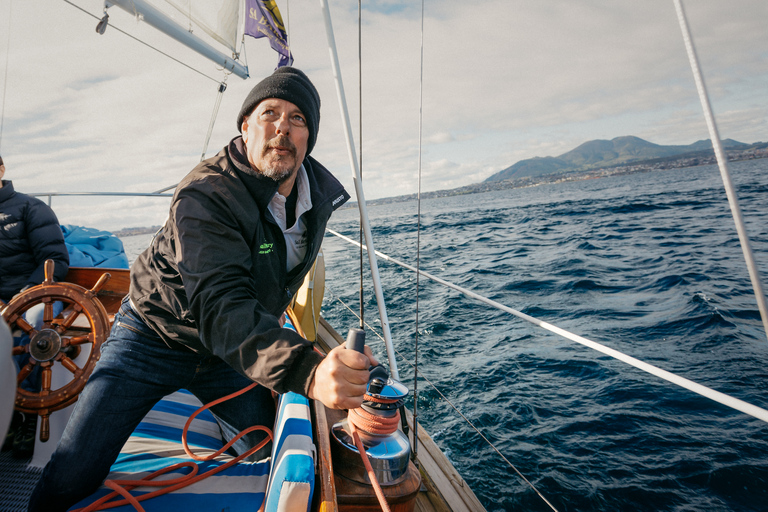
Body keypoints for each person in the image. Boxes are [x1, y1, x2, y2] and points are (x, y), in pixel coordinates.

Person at [29, 67, 377, 512]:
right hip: (150, 341)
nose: (283, 127)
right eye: (269, 112)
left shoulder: (313, 198)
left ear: (309, 137)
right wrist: (309, 371)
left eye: (298, 118)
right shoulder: (205, 193)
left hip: (223, 356)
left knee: (265, 444)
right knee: (72, 472)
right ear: (246, 126)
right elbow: (221, 306)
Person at [0, 154, 70, 459]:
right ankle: (9, 416)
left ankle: (27, 415)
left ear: (1, 169)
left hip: (33, 294)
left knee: (37, 327)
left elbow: (54, 260)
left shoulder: (31, 207)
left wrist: (20, 298)